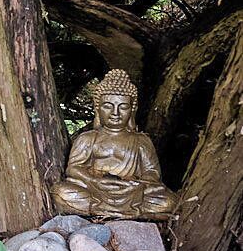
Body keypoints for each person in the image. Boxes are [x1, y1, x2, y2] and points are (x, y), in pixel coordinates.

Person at [51, 69, 179, 220]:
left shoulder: (141, 141)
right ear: (97, 107)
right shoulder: (88, 138)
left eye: (123, 107)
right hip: (94, 188)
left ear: (132, 110)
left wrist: (135, 183)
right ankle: (125, 213)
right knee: (60, 192)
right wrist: (94, 180)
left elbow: (152, 173)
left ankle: (103, 211)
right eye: (108, 106)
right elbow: (73, 168)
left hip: (131, 191)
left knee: (169, 201)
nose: (115, 113)